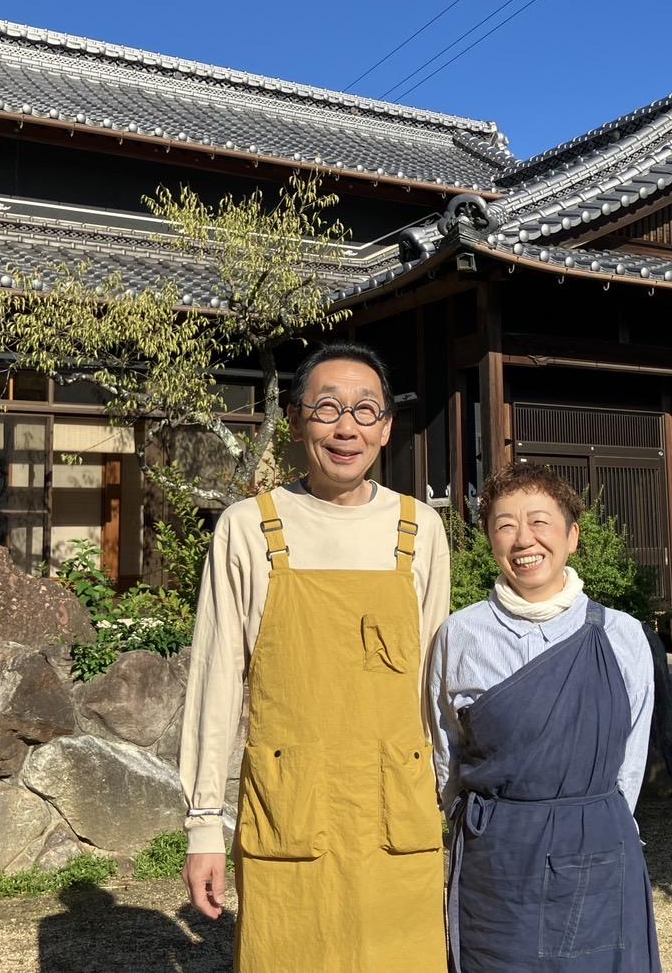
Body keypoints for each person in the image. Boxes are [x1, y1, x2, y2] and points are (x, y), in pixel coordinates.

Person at [178, 341, 450, 972]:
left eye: (364, 409)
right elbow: (215, 682)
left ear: (385, 427)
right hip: (291, 808)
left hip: (398, 811)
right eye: (326, 408)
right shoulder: (249, 527)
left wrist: (452, 798)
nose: (345, 427)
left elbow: (438, 686)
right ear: (297, 421)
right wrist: (203, 827)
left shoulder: (420, 530)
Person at [428, 462, 661, 972]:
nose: (523, 539)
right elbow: (443, 752)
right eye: (505, 525)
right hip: (498, 856)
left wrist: (600, 820)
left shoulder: (621, 636)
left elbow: (631, 756)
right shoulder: (459, 636)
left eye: (540, 521)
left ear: (572, 536)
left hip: (596, 840)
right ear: (490, 541)